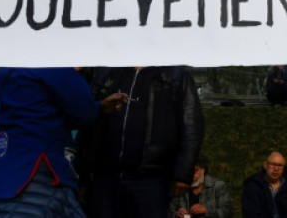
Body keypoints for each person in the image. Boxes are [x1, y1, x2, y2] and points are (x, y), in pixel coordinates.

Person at [0, 68, 126, 218]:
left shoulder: (10, 67)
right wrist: (97, 107)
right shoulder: (57, 67)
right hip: (36, 168)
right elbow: (84, 114)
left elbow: (36, 104)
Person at [81, 66, 205, 218]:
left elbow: (191, 124)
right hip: (106, 176)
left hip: (152, 179)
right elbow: (87, 119)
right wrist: (83, 173)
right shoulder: (107, 72)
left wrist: (183, 174)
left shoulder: (176, 74)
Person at [241, 151, 287, 218]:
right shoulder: (253, 186)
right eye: (273, 164)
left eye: (280, 165)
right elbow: (251, 214)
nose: (276, 169)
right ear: (265, 165)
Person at [168, 156, 233, 218]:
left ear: (203, 169)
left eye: (195, 170)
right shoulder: (180, 187)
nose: (191, 176)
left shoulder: (218, 186)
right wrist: (177, 214)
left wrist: (206, 210)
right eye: (187, 172)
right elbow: (168, 211)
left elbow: (227, 212)